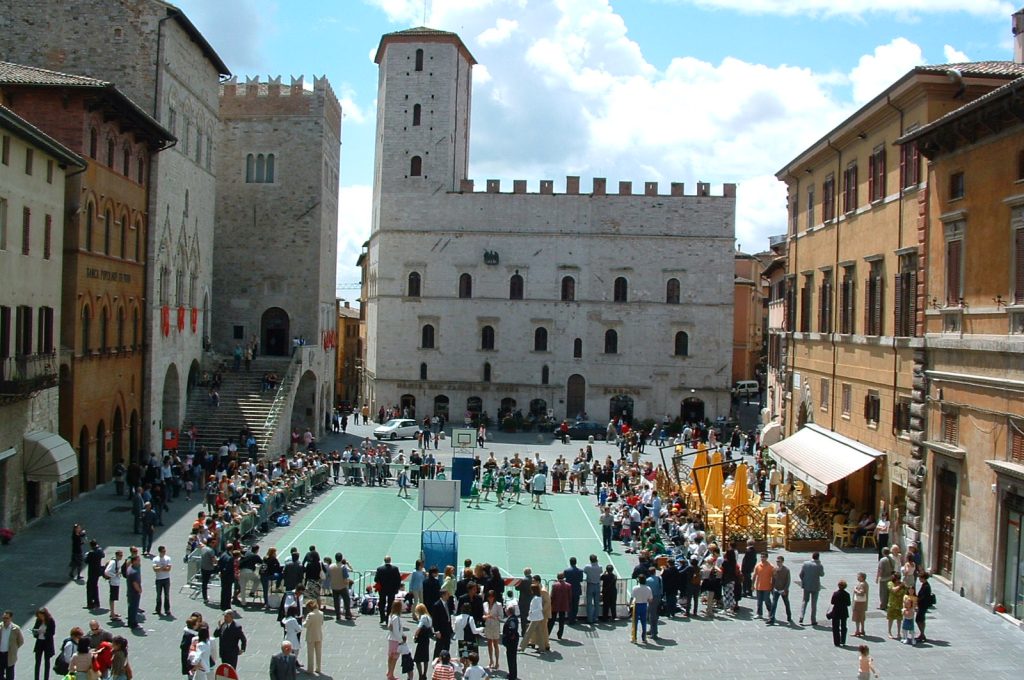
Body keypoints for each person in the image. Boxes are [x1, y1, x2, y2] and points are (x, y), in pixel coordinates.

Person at [798, 551, 825, 625]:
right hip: (815, 586)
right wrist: (819, 563)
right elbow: (822, 574)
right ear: (818, 557)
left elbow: (801, 574)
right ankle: (813, 619)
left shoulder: (806, 564)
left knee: (804, 601)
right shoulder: (819, 565)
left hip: (806, 586)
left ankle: (801, 617)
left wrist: (804, 581)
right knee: (814, 603)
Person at [376, 556, 402, 626]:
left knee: (382, 603)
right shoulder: (395, 569)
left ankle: (382, 618)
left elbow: (376, 579)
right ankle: (388, 619)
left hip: (382, 589)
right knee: (390, 604)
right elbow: (398, 579)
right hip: (392, 589)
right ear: (390, 560)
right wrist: (396, 588)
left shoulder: (379, 569)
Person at [767, 555, 793, 625]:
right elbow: (773, 580)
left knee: (786, 603)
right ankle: (771, 618)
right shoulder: (774, 569)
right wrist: (772, 588)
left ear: (782, 562)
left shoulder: (786, 570)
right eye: (777, 561)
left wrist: (785, 590)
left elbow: (788, 581)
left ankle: (789, 616)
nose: (778, 563)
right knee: (774, 604)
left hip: (783, 590)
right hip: (776, 589)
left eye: (779, 561)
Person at [482, 590, 503, 671]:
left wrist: (494, 617)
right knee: (489, 643)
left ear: (494, 597)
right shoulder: (485, 604)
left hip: (495, 626)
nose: (490, 598)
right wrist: (485, 617)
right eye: (489, 597)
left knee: (495, 644)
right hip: (488, 625)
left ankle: (497, 662)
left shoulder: (498, 605)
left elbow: (501, 616)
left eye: (492, 597)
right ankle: (491, 660)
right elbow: (483, 615)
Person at [31, 608, 54, 680]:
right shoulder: (38, 620)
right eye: (39, 616)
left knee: (47, 661)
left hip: (47, 643)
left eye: (41, 616)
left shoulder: (50, 621)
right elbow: (35, 629)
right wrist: (35, 632)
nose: (40, 617)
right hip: (39, 642)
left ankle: (46, 678)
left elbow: (52, 632)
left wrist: (44, 633)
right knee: (37, 661)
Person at [430, 590, 454, 659]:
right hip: (440, 629)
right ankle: (436, 660)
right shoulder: (437, 605)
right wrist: (436, 631)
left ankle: (445, 660)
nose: (448, 596)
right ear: (443, 595)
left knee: (447, 645)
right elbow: (435, 620)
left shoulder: (448, 603)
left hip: (447, 628)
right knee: (439, 646)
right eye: (447, 594)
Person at [630, 574, 653, 643]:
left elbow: (632, 597)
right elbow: (650, 599)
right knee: (644, 622)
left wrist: (630, 605)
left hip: (636, 605)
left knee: (635, 622)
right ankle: (644, 638)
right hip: (644, 605)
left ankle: (634, 638)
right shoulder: (648, 588)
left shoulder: (635, 588)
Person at [303, 600, 324, 674]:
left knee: (310, 653)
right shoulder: (321, 613)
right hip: (319, 635)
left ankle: (310, 669)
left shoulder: (310, 615)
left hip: (311, 636)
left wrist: (303, 620)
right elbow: (321, 623)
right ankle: (318, 668)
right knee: (318, 653)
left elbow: (306, 625)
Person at [828, 579, 851, 647]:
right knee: (843, 626)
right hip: (844, 612)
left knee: (835, 627)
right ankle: (843, 640)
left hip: (836, 612)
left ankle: (836, 642)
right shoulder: (847, 594)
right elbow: (848, 604)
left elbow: (832, 602)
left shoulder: (835, 593)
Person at [412, 603, 433, 680]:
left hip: (421, 639)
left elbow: (419, 627)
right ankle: (425, 674)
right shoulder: (429, 617)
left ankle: (421, 675)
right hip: (426, 639)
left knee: (417, 659)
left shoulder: (423, 617)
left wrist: (415, 636)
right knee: (425, 658)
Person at [548, 573, 571, 640]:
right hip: (564, 605)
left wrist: (550, 603)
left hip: (555, 604)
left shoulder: (554, 585)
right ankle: (560, 634)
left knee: (551, 620)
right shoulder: (568, 585)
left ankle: (548, 633)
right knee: (562, 621)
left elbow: (552, 596)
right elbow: (570, 597)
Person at [500, 600, 519, 680]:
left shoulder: (511, 620)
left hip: (511, 643)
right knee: (512, 658)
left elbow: (512, 629)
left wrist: (510, 636)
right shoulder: (513, 618)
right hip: (512, 642)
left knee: (511, 659)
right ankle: (512, 673)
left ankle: (512, 675)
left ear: (508, 611)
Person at [104, 549, 125, 621]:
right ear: (116, 555)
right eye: (120, 555)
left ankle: (112, 612)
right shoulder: (113, 562)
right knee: (112, 598)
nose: (121, 557)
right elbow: (106, 571)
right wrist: (115, 575)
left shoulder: (117, 562)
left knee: (114, 598)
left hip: (115, 582)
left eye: (122, 555)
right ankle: (112, 614)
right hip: (113, 582)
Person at [752, 552, 774, 619]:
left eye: (764, 557)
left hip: (767, 587)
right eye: (761, 557)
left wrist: (773, 586)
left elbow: (773, 577)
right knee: (759, 601)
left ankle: (770, 612)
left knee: (767, 600)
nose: (762, 558)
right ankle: (759, 614)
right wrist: (752, 585)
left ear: (767, 558)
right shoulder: (758, 565)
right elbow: (754, 575)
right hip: (759, 586)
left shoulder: (771, 566)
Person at [386, 600, 404, 680]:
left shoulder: (391, 615)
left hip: (391, 639)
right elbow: (396, 630)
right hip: (396, 640)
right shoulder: (396, 618)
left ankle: (389, 671)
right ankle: (391, 675)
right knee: (394, 658)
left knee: (390, 657)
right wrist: (400, 640)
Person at [153, 545, 173, 616]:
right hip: (158, 579)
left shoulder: (168, 558)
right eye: (163, 551)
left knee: (166, 595)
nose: (164, 553)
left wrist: (160, 568)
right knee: (158, 595)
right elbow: (155, 569)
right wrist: (163, 567)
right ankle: (158, 610)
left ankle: (167, 610)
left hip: (166, 579)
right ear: (160, 552)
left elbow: (169, 569)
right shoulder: (155, 559)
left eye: (165, 551)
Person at [885, 573, 907, 639]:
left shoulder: (902, 585)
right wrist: (900, 586)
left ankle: (898, 633)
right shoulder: (890, 583)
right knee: (890, 619)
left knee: (899, 619)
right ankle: (889, 632)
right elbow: (893, 590)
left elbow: (905, 592)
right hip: (892, 604)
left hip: (900, 604)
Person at [583, 554, 603, 624]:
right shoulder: (599, 567)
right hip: (597, 585)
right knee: (596, 603)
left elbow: (585, 571)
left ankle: (590, 619)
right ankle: (595, 617)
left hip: (590, 585)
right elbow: (601, 572)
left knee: (589, 603)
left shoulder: (587, 567)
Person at [85, 540, 105, 610]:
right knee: (95, 586)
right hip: (97, 571)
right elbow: (103, 555)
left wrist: (86, 555)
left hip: (91, 571)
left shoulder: (91, 553)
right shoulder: (100, 550)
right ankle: (97, 602)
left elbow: (86, 561)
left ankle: (90, 603)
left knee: (90, 587)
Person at [564, 557, 584, 624]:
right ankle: (574, 618)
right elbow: (581, 580)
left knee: (569, 605)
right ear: (576, 562)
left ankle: (570, 619)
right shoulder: (580, 571)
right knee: (575, 605)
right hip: (577, 590)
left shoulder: (566, 571)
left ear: (570, 562)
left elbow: (565, 579)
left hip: (569, 590)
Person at [125, 554, 143, 630]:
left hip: (130, 591)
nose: (140, 562)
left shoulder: (130, 568)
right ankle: (133, 624)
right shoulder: (134, 572)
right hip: (134, 592)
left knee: (130, 607)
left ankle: (130, 622)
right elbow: (135, 583)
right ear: (134, 561)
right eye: (138, 560)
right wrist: (139, 590)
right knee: (134, 608)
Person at [915, 571, 933, 642]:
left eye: (920, 578)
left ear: (923, 578)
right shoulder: (925, 585)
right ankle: (922, 634)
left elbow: (923, 597)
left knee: (918, 620)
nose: (919, 579)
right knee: (921, 620)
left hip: (922, 606)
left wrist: (917, 600)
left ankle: (922, 634)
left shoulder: (926, 586)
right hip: (922, 605)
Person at [851, 572, 869, 637]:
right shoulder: (865, 584)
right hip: (863, 603)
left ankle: (857, 631)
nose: (857, 577)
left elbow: (861, 593)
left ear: (862, 577)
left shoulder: (862, 584)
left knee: (857, 617)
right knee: (862, 617)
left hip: (859, 603)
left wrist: (855, 590)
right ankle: (862, 630)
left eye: (858, 576)